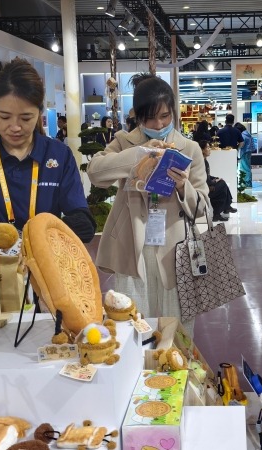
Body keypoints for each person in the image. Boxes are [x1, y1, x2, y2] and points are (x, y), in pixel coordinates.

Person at [87, 74, 209, 334]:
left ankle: (174, 362)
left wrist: (182, 186)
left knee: (176, 332)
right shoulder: (124, 142)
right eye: (150, 118)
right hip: (133, 248)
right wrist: (138, 155)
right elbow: (96, 173)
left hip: (176, 251)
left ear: (173, 111)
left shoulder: (189, 148)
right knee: (132, 328)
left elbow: (203, 208)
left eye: (165, 116)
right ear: (138, 116)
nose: (159, 124)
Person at [0, 59, 95, 243]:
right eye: (4, 117)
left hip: (42, 255)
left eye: (26, 118)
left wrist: (46, 233)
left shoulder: (58, 154)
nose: (14, 127)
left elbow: (82, 219)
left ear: (39, 112)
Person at [199, 140, 236, 221]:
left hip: (206, 185)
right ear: (202, 150)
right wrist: (215, 181)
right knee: (222, 185)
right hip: (204, 188)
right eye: (208, 147)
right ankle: (224, 209)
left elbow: (206, 176)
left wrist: (215, 178)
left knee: (222, 184)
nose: (209, 149)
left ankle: (221, 211)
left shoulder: (204, 161)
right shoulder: (202, 162)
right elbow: (206, 180)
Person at [235, 122, 254, 187]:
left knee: (245, 167)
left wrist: (237, 147)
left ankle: (246, 183)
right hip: (248, 152)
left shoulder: (243, 135)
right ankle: (248, 182)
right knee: (247, 167)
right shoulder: (247, 133)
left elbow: (242, 144)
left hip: (244, 152)